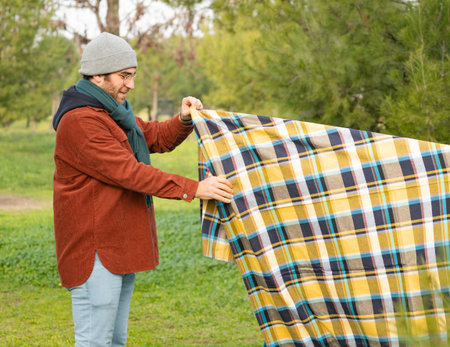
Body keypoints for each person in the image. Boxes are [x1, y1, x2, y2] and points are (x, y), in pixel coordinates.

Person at [52, 32, 233, 347]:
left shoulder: (111, 113)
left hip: (117, 246)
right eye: (124, 76)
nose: (130, 85)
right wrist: (195, 188)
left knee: (115, 340)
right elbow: (130, 172)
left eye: (132, 76)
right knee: (96, 341)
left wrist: (183, 119)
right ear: (98, 74)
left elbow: (152, 136)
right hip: (95, 251)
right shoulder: (81, 121)